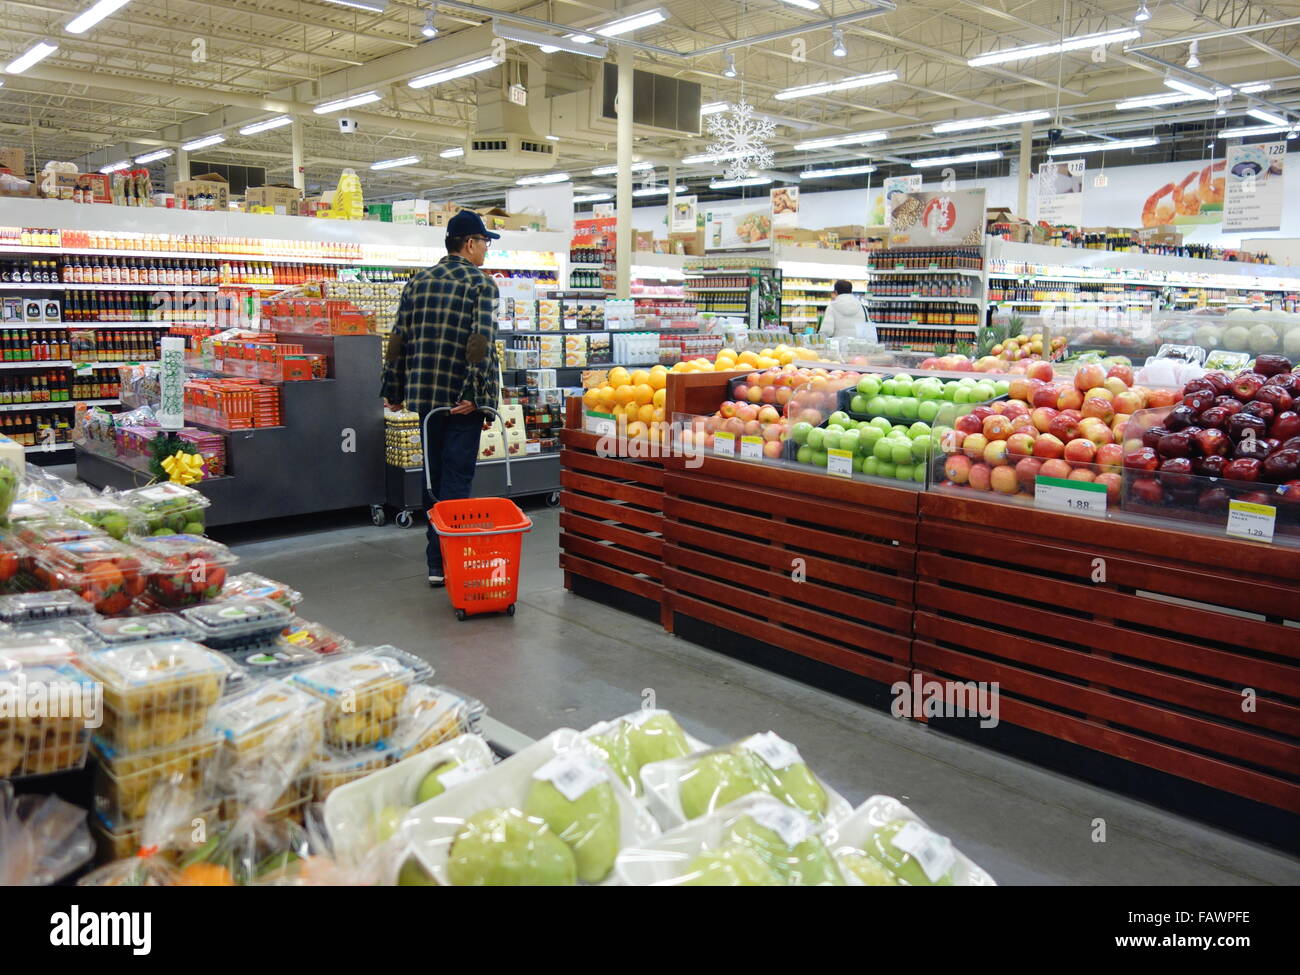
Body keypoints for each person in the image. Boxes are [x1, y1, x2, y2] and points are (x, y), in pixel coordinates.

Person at [382, 210, 501, 587]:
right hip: (461, 402)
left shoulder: (418, 282)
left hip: (427, 401)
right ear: (470, 243)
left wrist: (393, 390)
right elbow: (479, 344)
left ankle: (435, 563)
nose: (486, 250)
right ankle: (454, 559)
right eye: (484, 242)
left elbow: (398, 338)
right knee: (457, 481)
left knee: (432, 479)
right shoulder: (480, 284)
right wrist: (475, 395)